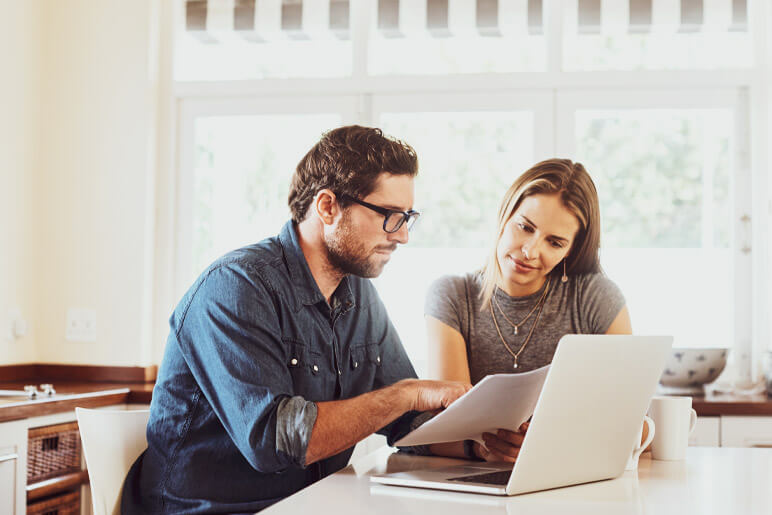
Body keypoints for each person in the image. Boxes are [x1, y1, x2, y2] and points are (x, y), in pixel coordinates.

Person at [121, 126, 470, 514]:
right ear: (327, 207)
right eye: (389, 215)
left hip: (309, 505)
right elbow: (274, 440)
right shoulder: (236, 287)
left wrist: (479, 443)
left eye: (407, 217)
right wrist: (406, 392)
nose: (402, 235)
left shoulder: (360, 295)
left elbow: (409, 421)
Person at [423, 158, 632, 462]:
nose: (531, 251)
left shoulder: (595, 297)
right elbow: (448, 427)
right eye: (525, 227)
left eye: (555, 242)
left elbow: (631, 419)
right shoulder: (453, 296)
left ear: (571, 250)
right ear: (505, 214)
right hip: (478, 486)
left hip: (568, 477)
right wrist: (486, 449)